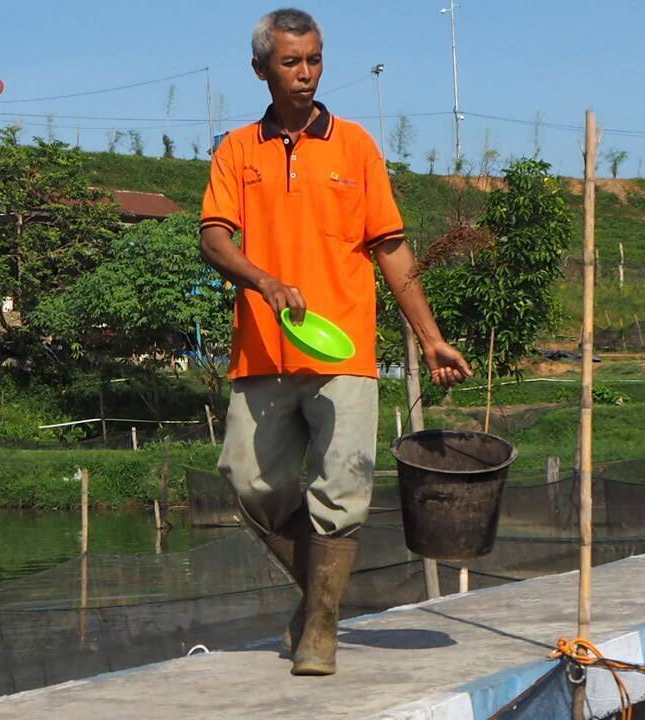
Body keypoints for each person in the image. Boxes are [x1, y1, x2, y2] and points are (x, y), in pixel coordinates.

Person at [199, 8, 473, 676]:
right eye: (292, 62)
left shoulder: (355, 147)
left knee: (342, 485)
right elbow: (213, 237)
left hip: (344, 347)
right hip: (264, 349)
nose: (306, 74)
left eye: (315, 60)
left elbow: (393, 250)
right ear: (262, 67)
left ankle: (320, 627)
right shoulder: (237, 150)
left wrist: (431, 338)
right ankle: (321, 599)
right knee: (248, 482)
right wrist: (262, 279)